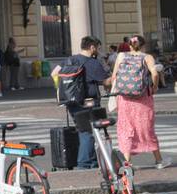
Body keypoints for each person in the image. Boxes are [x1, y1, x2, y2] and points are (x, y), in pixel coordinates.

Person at [110, 35, 168, 169]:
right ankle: (159, 161)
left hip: (124, 99)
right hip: (143, 99)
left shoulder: (121, 56)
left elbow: (114, 76)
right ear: (143, 45)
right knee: (146, 128)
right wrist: (154, 87)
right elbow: (154, 74)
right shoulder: (147, 57)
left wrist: (121, 90)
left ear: (129, 45)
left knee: (126, 129)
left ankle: (127, 163)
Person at [62, 36, 110, 170]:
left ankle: (92, 161)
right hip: (87, 102)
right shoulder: (92, 63)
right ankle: (84, 164)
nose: (98, 51)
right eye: (98, 48)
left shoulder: (70, 59)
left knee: (83, 130)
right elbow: (106, 81)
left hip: (71, 102)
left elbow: (55, 73)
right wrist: (116, 74)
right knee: (88, 131)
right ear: (92, 47)